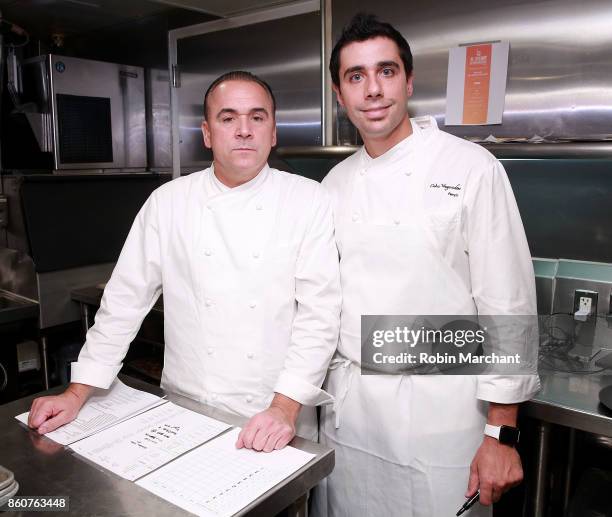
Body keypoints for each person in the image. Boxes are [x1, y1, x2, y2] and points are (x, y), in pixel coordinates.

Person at [28, 71, 341, 451]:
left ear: (273, 132)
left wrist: (285, 408)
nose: (244, 130)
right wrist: (77, 393)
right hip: (184, 408)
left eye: (257, 117)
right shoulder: (168, 202)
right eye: (228, 118)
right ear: (207, 133)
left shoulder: (309, 201)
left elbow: (319, 315)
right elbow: (125, 301)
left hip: (273, 414)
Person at [314, 13, 540, 517]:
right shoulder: (334, 184)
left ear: (409, 81)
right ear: (339, 93)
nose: (372, 89)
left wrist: (501, 433)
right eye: (356, 76)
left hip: (445, 418)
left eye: (386, 71)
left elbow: (507, 303)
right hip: (351, 417)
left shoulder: (470, 168)